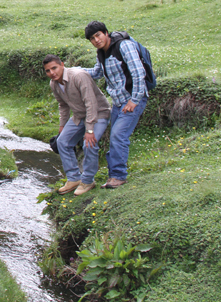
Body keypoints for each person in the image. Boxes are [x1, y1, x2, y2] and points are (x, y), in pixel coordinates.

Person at [82, 21, 149, 189]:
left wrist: (134, 100)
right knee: (115, 137)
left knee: (118, 136)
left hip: (132, 99)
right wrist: (72, 71)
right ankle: (114, 175)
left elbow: (138, 72)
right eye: (92, 38)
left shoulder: (124, 46)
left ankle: (118, 176)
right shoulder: (101, 53)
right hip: (119, 102)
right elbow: (97, 73)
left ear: (106, 33)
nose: (96, 40)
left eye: (98, 35)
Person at [43, 55, 111, 196]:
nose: (52, 73)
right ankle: (74, 178)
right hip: (79, 115)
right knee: (62, 141)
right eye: (48, 71)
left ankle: (88, 181)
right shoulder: (53, 84)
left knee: (89, 144)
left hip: (99, 113)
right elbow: (63, 105)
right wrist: (62, 126)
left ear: (62, 65)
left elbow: (91, 103)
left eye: (54, 68)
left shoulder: (79, 76)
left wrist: (89, 130)